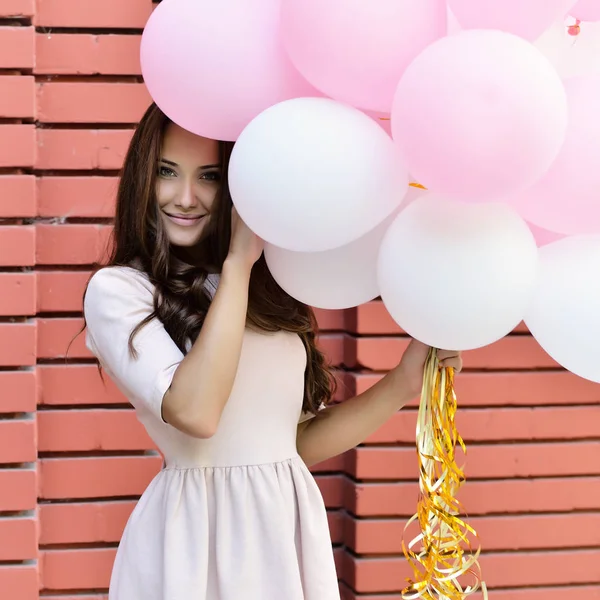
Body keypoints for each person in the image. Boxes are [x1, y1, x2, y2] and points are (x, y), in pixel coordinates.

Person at [83, 103, 462, 600]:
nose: (186, 197)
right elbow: (196, 412)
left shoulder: (272, 289)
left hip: (285, 531)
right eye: (167, 173)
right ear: (142, 178)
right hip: (195, 541)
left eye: (210, 176)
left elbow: (293, 443)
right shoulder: (120, 291)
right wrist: (238, 262)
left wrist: (402, 384)